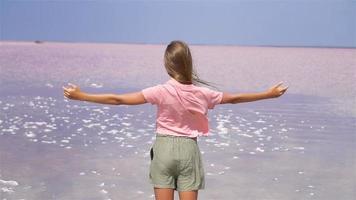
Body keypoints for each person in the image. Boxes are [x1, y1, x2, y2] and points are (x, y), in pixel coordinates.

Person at [63, 40, 288, 200]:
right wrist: (268, 94)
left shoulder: (159, 91)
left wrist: (82, 96)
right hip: (189, 150)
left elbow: (118, 99)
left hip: (164, 150)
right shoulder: (202, 93)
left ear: (167, 65)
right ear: (188, 63)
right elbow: (235, 99)